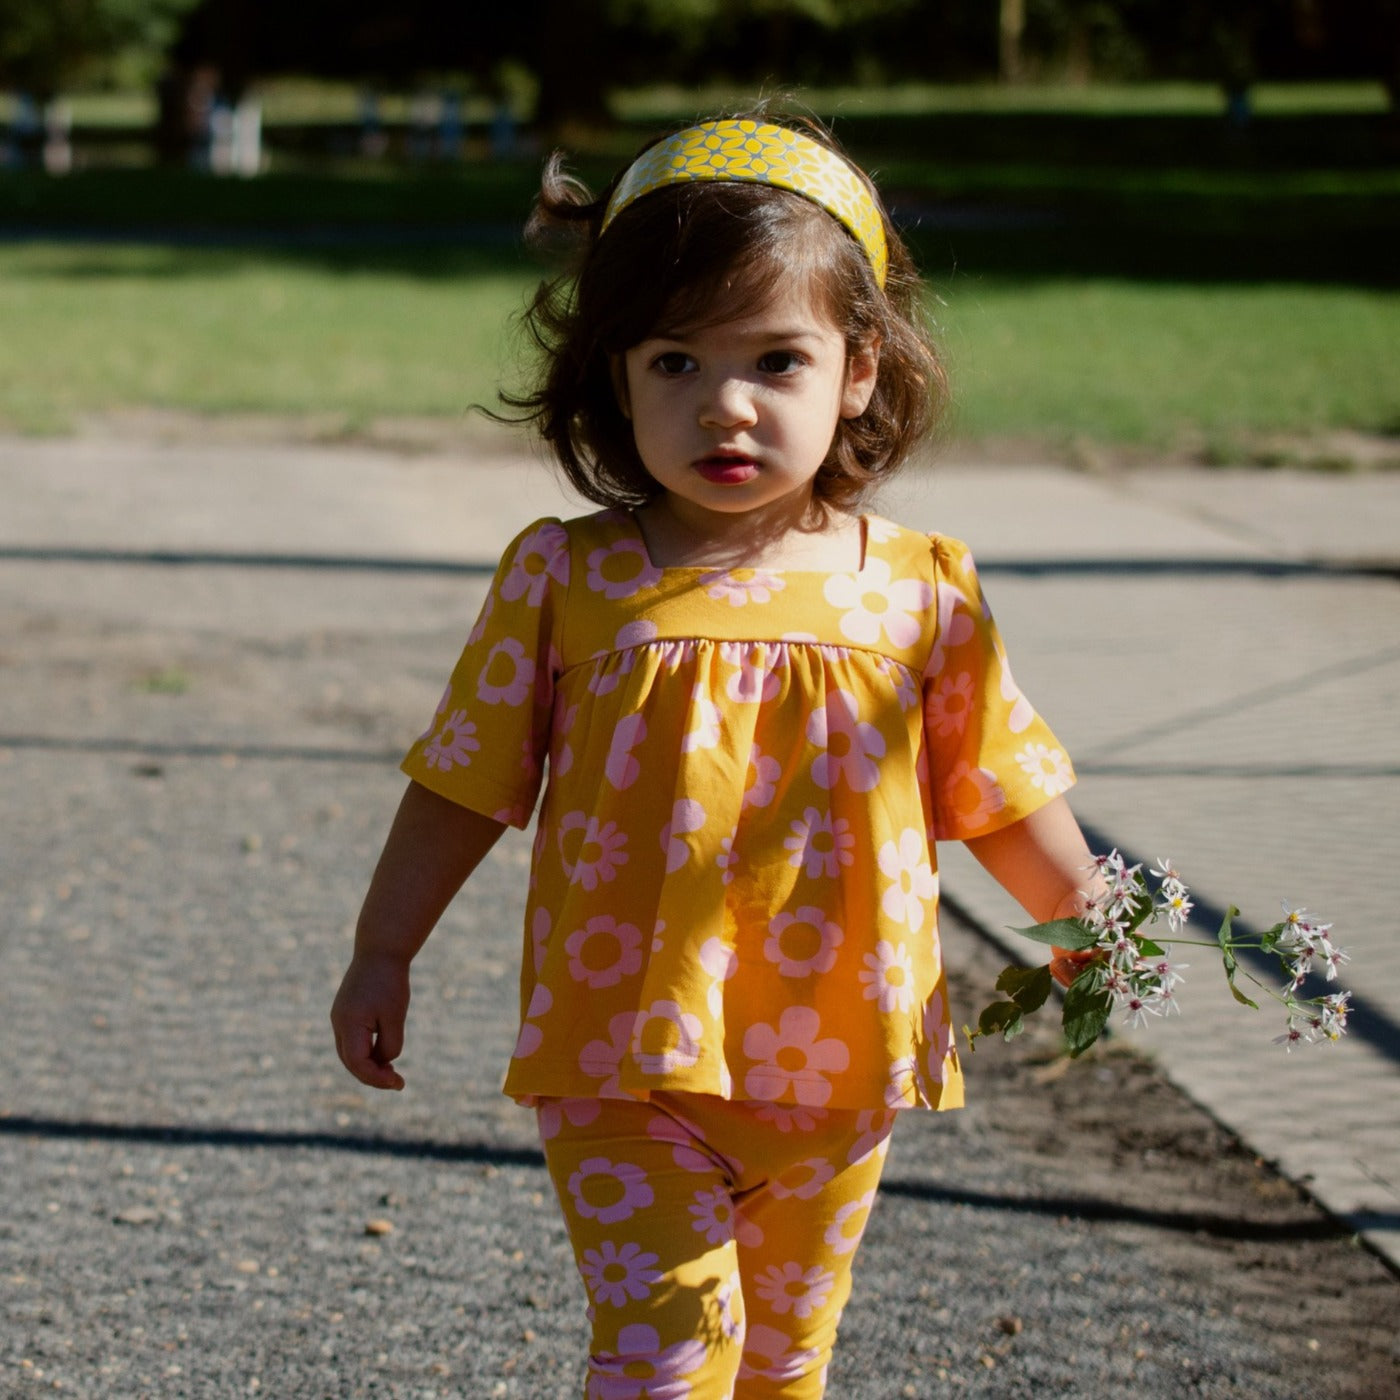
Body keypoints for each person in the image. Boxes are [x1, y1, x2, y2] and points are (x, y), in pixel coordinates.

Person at [331, 111, 1101, 1399]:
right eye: (676, 361)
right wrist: (382, 949)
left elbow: (999, 791)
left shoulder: (919, 593)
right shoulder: (570, 576)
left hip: (841, 1055)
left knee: (787, 1361)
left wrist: (1090, 920)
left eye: (776, 361)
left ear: (858, 369)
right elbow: (463, 780)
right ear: (615, 376)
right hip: (623, 1051)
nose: (724, 405)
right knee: (669, 1351)